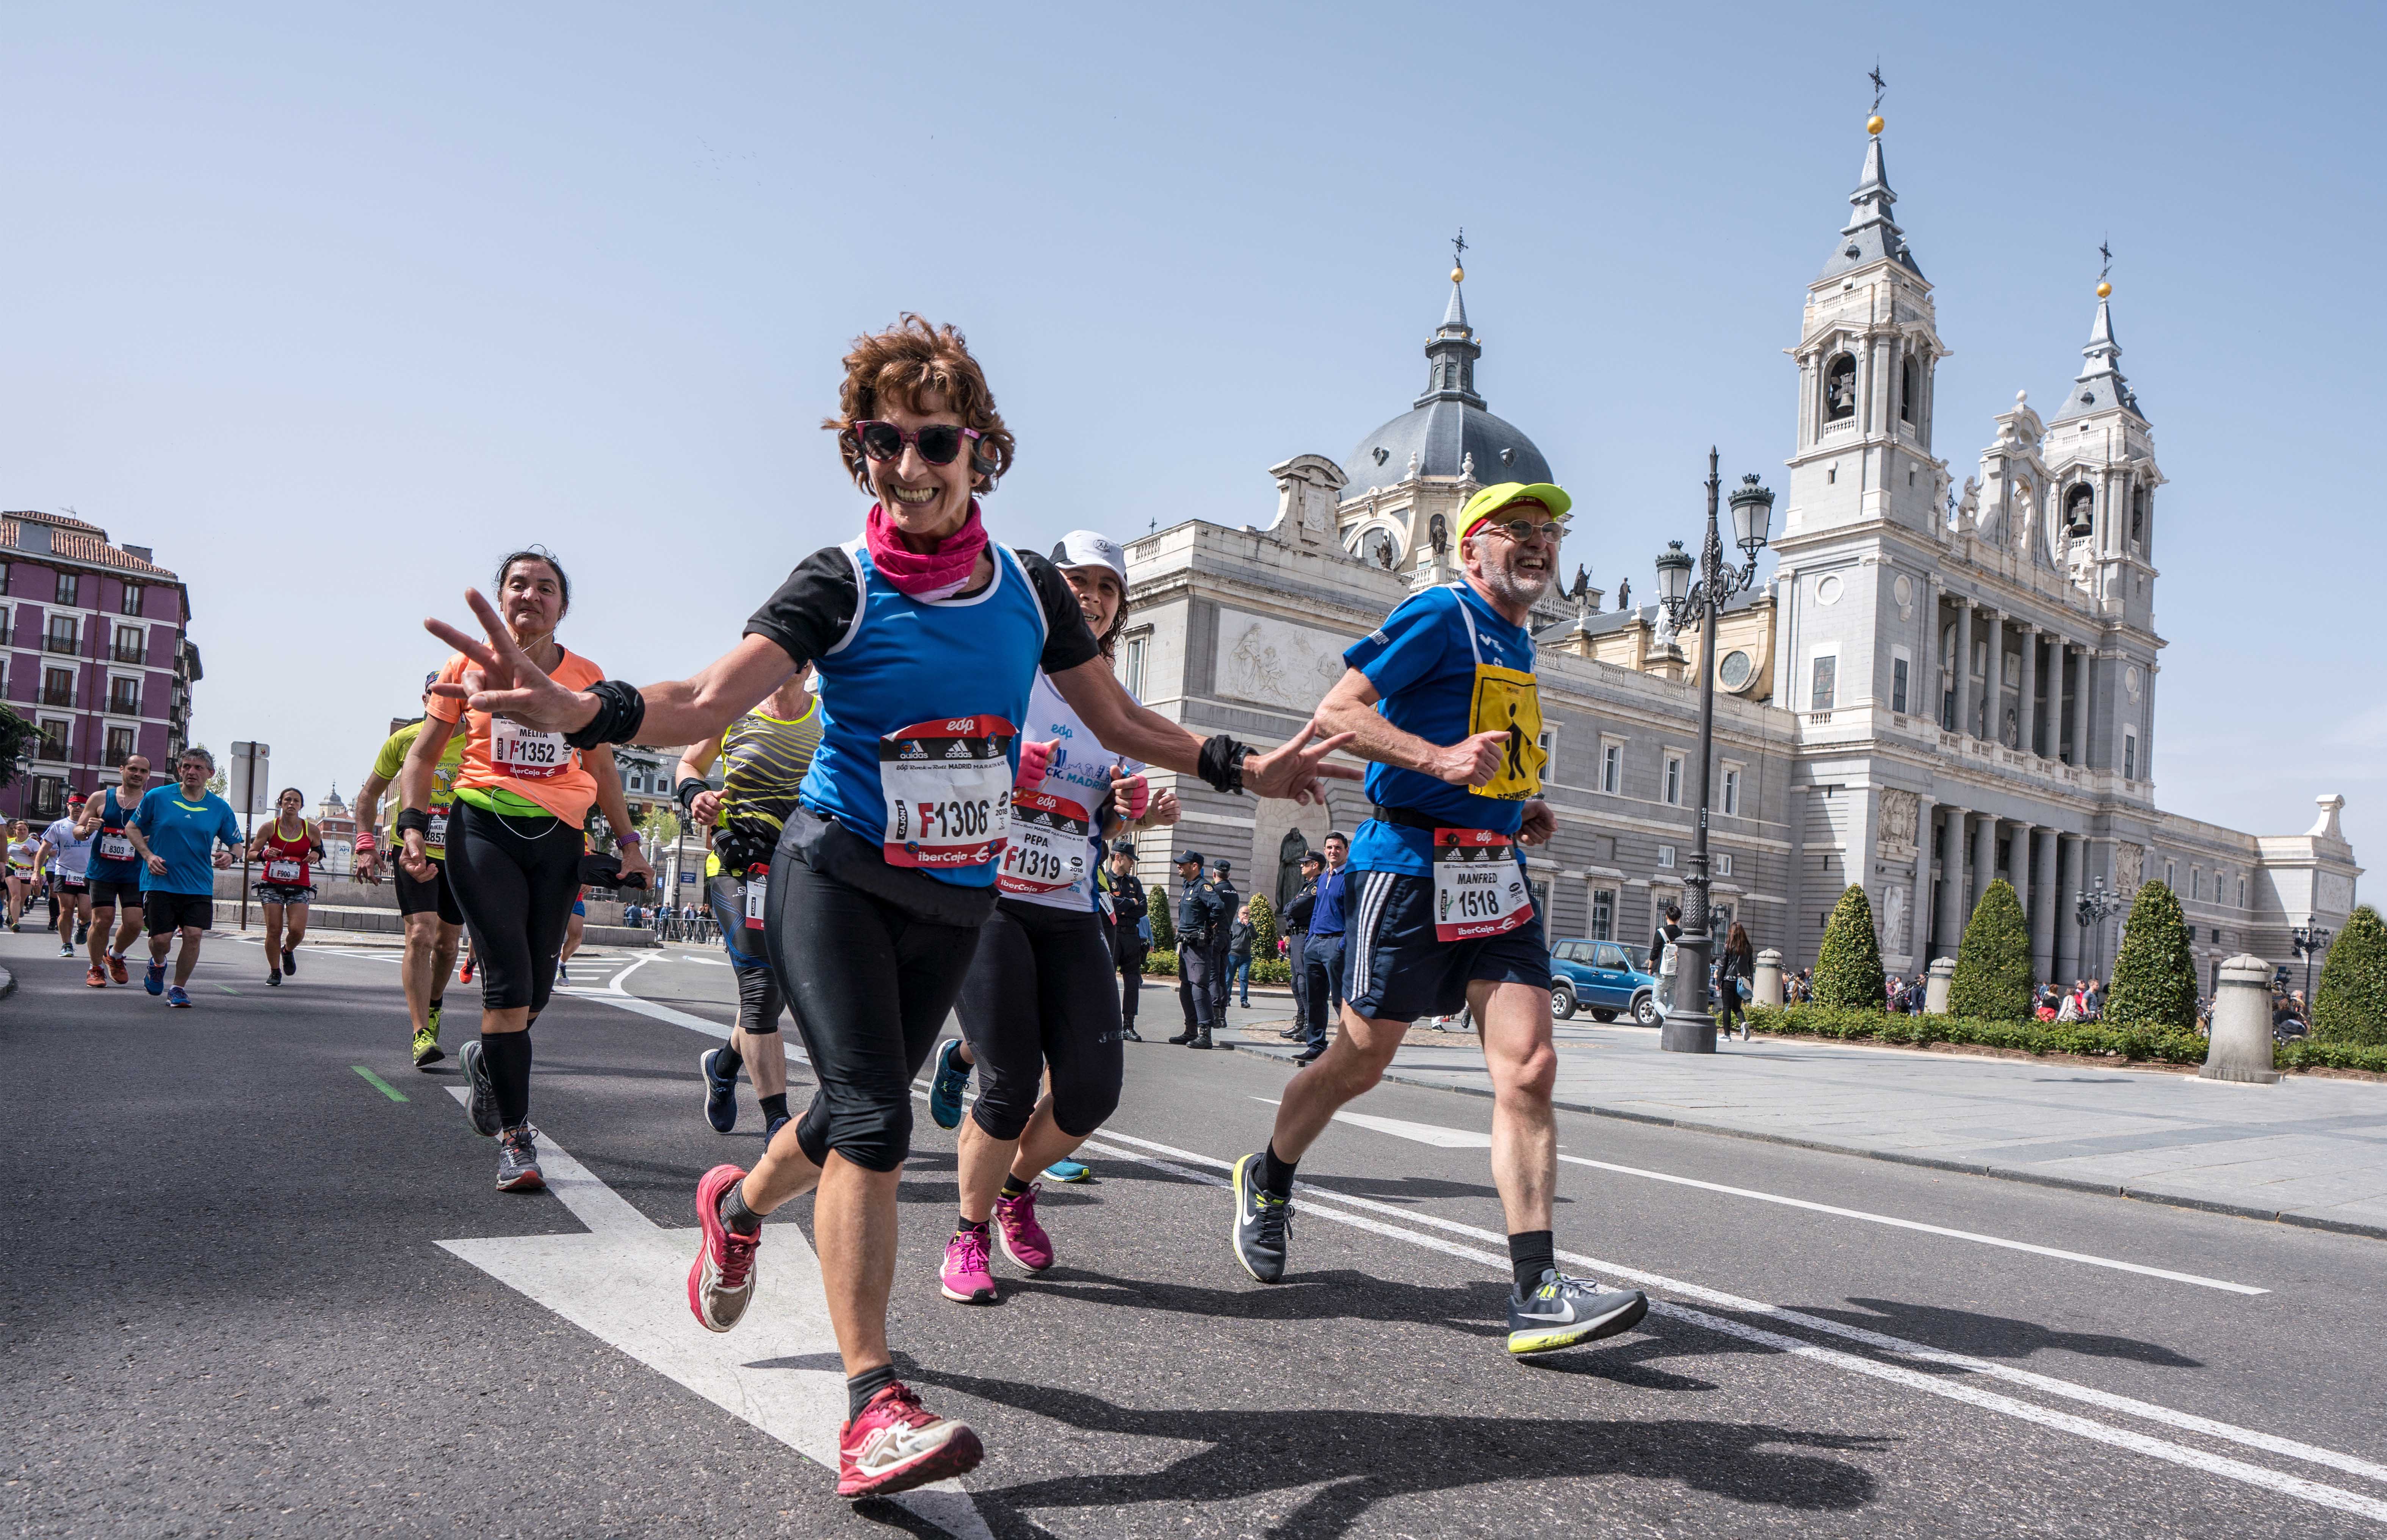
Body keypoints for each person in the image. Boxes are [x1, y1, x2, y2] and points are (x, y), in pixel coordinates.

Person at [421, 316, 1350, 1498]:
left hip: (955, 901)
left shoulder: (1026, 591)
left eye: (932, 442)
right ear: (857, 451)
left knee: (845, 1117)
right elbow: (704, 698)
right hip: (837, 876)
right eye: (879, 443)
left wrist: (1239, 763)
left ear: (981, 452)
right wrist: (583, 708)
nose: (905, 467)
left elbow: (1117, 725)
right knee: (872, 1119)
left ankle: (735, 1202)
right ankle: (872, 1403)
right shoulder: (838, 582)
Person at [1227, 479, 1649, 1360]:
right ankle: (1267, 1175)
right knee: (1359, 1062)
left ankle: (1535, 1291)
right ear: (1470, 549)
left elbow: (1481, 744)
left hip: (1493, 871)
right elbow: (1337, 712)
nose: (1536, 544)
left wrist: (1513, 799)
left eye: (1547, 533)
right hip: (1408, 868)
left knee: (1529, 1067)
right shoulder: (1440, 613)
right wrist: (1437, 759)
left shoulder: (1516, 639)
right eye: (1514, 531)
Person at [926, 529, 1184, 1303]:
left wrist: (1133, 812)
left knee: (1092, 1090)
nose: (1093, 599)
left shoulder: (1111, 703)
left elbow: (1101, 819)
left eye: (1107, 588)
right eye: (1077, 582)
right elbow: (931, 770)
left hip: (1071, 906)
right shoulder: (1001, 669)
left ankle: (1015, 1188)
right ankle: (968, 1235)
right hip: (991, 901)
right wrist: (1003, 768)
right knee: (1006, 1085)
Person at [401, 548, 652, 1194]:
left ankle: (487, 1059)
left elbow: (600, 770)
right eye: (518, 584)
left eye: (545, 587)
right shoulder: (467, 665)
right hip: (483, 826)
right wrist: (408, 827)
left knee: (536, 993)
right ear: (501, 596)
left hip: (559, 839)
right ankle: (515, 1137)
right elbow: (423, 757)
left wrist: (628, 842)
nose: (530, 594)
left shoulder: (586, 676)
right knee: (508, 987)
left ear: (562, 607)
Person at [679, 665, 824, 1146]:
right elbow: (688, 764)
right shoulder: (736, 712)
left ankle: (722, 1066)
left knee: (774, 994)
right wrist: (696, 795)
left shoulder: (827, 720)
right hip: (737, 865)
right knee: (760, 988)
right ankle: (778, 1125)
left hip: (796, 871)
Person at [355, 676, 468, 1067]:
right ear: (426, 699)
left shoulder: (481, 743)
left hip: (462, 856)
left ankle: (434, 1004)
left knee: (448, 944)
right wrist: (366, 845)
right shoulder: (406, 740)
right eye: (441, 694)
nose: (451, 701)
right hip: (414, 850)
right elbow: (369, 793)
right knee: (420, 933)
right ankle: (421, 1033)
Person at [122, 747, 243, 1007]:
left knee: (194, 935)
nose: (192, 772)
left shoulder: (220, 808)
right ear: (179, 770)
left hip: (198, 884)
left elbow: (236, 844)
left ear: (210, 774)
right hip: (160, 880)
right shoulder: (158, 797)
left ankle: (178, 988)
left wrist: (231, 857)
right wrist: (148, 855)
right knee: (161, 940)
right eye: (187, 766)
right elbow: (132, 827)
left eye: (199, 768)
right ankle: (158, 963)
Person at [76, 754, 153, 986]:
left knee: (135, 924)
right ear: (122, 770)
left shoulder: (152, 802)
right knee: (102, 921)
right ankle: (95, 968)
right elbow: (78, 831)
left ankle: (114, 955)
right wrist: (87, 829)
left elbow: (163, 832)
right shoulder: (100, 798)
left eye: (143, 771)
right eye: (133, 769)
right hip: (103, 871)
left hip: (135, 873)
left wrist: (151, 840)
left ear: (148, 776)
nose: (138, 774)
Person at [246, 787, 325, 985]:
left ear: (301, 806)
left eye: (296, 801)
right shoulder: (269, 828)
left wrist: (316, 854)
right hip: (272, 884)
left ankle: (287, 951)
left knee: (297, 931)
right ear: (280, 803)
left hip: (299, 885)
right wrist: (265, 855)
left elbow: (318, 851)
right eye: (287, 800)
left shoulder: (311, 829)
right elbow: (251, 853)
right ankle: (275, 971)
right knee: (274, 930)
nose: (291, 804)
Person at [1295, 831, 1351, 1064]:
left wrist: (1342, 944)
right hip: (1315, 943)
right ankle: (1316, 1045)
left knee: (1340, 999)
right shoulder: (1323, 877)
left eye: (1338, 848)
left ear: (1346, 851)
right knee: (1315, 998)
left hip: (1336, 944)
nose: (1333, 851)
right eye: (1329, 847)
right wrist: (1310, 939)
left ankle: (1350, 1049)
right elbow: (1317, 909)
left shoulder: (1350, 877)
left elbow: (1355, 915)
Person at [1166, 851, 1227, 1048]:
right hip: (1186, 945)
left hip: (1198, 947)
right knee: (1186, 987)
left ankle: (1205, 1034)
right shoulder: (1188, 887)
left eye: (1183, 864)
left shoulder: (1203, 887)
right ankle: (1190, 1030)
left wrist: (1207, 927)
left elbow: (1218, 907)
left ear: (1195, 866)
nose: (1179, 867)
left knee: (1199, 987)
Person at [1097, 839, 1148, 1042]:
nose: (1133, 863)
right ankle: (1105, 1025)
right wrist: (1130, 903)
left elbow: (1143, 909)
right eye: (1130, 859)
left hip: (1132, 936)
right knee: (1107, 981)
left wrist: (1123, 905)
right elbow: (1109, 903)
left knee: (1132, 982)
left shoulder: (1134, 882)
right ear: (1118, 857)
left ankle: (1129, 1025)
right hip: (1113, 934)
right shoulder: (1105, 879)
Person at [36, 795, 95, 963]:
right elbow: (43, 850)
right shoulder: (59, 826)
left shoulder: (94, 827)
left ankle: (83, 926)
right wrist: (36, 872)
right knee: (66, 910)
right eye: (75, 805)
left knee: (86, 913)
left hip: (88, 874)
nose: (78, 808)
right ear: (68, 806)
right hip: (64, 872)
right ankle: (67, 944)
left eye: (82, 805)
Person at [1278, 848, 1322, 1043]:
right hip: (1296, 937)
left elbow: (1295, 908)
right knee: (1296, 982)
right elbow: (1290, 907)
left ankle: (1309, 1026)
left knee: (1304, 982)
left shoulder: (1316, 885)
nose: (1301, 866)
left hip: (1304, 936)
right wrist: (1290, 908)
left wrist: (1290, 908)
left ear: (1315, 866)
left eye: (1305, 863)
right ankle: (1301, 1021)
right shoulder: (1307, 885)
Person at [1208, 857, 1240, 1020]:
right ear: (1229, 874)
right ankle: (1222, 1012)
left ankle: (1215, 1010)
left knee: (1214, 974)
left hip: (1216, 935)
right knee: (1222, 975)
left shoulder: (1215, 890)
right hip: (1228, 935)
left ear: (1214, 874)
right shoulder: (1234, 892)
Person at [1717, 921, 1754, 1041]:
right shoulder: (1748, 948)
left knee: (1727, 1007)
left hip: (1728, 980)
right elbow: (1750, 967)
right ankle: (1743, 1023)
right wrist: (1750, 982)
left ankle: (1727, 1035)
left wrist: (1718, 981)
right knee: (1737, 1007)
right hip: (1741, 982)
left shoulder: (1728, 946)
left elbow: (1723, 965)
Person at [6, 819, 39, 930]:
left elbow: (40, 860)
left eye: (25, 829)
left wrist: (29, 853)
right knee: (16, 896)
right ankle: (16, 922)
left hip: (28, 871)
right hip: (12, 869)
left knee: (22, 898)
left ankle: (12, 916)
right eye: (20, 830)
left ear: (28, 830)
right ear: (15, 831)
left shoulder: (33, 843)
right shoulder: (10, 842)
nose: (22, 831)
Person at [1226, 901, 1255, 1010]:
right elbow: (1229, 938)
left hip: (1246, 957)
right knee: (1229, 978)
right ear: (1239, 914)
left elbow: (1255, 937)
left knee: (1244, 978)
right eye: (1243, 913)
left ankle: (1244, 1001)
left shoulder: (1250, 925)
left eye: (1247, 914)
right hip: (1233, 955)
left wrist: (1249, 926)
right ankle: (1226, 1000)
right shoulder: (1233, 924)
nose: (1245, 916)